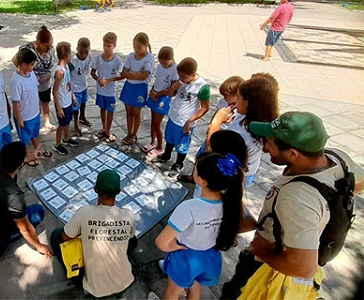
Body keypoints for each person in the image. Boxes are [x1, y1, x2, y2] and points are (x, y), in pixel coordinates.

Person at [220, 111, 364, 299]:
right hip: (308, 243)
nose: (265, 148)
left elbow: (304, 268)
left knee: (235, 294)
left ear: (293, 153)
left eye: (269, 143)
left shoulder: (296, 198)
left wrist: (262, 251)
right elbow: (359, 184)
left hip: (269, 264)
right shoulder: (338, 158)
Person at [156, 152, 243, 300]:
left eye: (195, 168)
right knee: (195, 284)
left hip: (186, 258)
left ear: (202, 181)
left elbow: (161, 242)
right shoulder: (232, 204)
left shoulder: (189, 207)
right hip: (210, 257)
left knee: (173, 292)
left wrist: (174, 247)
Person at [50, 169, 136, 298]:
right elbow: (131, 239)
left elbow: (65, 236)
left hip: (95, 291)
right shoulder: (128, 215)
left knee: (56, 234)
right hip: (126, 281)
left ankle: (73, 272)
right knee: (131, 240)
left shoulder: (84, 212)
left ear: (95, 189)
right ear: (118, 192)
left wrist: (86, 233)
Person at [205, 76, 279, 185]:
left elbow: (211, 150)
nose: (236, 101)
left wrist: (216, 122)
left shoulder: (242, 135)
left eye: (238, 98)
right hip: (249, 170)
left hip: (231, 176)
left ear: (248, 102)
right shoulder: (260, 121)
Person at [159, 57, 210, 177]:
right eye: (179, 76)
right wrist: (173, 88)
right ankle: (166, 155)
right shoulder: (180, 81)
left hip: (185, 122)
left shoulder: (202, 87)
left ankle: (178, 164)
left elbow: (205, 107)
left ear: (192, 74)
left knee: (182, 144)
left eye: (183, 77)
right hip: (173, 117)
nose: (181, 79)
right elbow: (171, 95)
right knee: (170, 139)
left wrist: (190, 121)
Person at [10, 48, 52, 167]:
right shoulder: (16, 81)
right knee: (25, 139)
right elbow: (16, 102)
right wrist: (20, 119)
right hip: (24, 117)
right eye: (32, 64)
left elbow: (35, 90)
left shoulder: (31, 74)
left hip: (34, 113)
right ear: (23, 65)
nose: (34, 67)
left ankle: (37, 149)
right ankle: (27, 156)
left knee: (34, 134)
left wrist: (38, 107)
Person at [14, 26, 58, 131]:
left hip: (46, 83)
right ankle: (33, 125)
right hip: (32, 84)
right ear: (38, 42)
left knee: (45, 101)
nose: (49, 49)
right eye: (46, 46)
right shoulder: (27, 49)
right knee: (34, 104)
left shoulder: (51, 49)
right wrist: (27, 76)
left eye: (50, 46)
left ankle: (47, 122)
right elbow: (15, 60)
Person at [120, 32, 155, 146]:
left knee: (136, 112)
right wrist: (134, 74)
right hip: (129, 86)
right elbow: (124, 72)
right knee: (128, 112)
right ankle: (129, 132)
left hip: (139, 88)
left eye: (139, 47)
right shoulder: (131, 55)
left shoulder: (149, 58)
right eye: (134, 47)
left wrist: (131, 73)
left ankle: (134, 134)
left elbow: (144, 75)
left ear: (146, 45)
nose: (136, 49)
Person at [144, 46, 179, 160]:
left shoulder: (175, 69)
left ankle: (160, 147)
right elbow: (158, 81)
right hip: (155, 95)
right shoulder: (160, 66)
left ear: (172, 58)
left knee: (157, 125)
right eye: (161, 62)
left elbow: (172, 91)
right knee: (152, 122)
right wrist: (152, 91)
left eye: (166, 62)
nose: (163, 64)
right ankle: (152, 142)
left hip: (163, 98)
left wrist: (157, 94)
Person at [91, 32, 123, 143]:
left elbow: (121, 75)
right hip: (101, 90)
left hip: (111, 91)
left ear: (114, 45)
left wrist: (109, 80)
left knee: (110, 111)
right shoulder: (99, 58)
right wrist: (98, 80)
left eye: (109, 46)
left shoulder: (117, 60)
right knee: (102, 109)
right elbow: (93, 72)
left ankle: (108, 130)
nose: (106, 48)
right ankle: (104, 128)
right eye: (104, 45)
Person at [52, 42, 79, 156]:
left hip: (68, 100)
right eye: (71, 52)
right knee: (62, 125)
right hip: (62, 103)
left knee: (68, 121)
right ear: (67, 55)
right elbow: (54, 91)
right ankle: (57, 144)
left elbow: (68, 83)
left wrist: (72, 96)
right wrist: (58, 108)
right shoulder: (59, 72)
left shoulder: (67, 66)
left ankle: (66, 138)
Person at [69, 37, 92, 137]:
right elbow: (67, 73)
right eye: (81, 52)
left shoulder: (89, 56)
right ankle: (75, 124)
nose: (84, 55)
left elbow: (87, 69)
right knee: (75, 108)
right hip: (75, 87)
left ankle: (82, 117)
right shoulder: (73, 61)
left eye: (86, 53)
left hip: (83, 84)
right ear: (77, 49)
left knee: (83, 102)